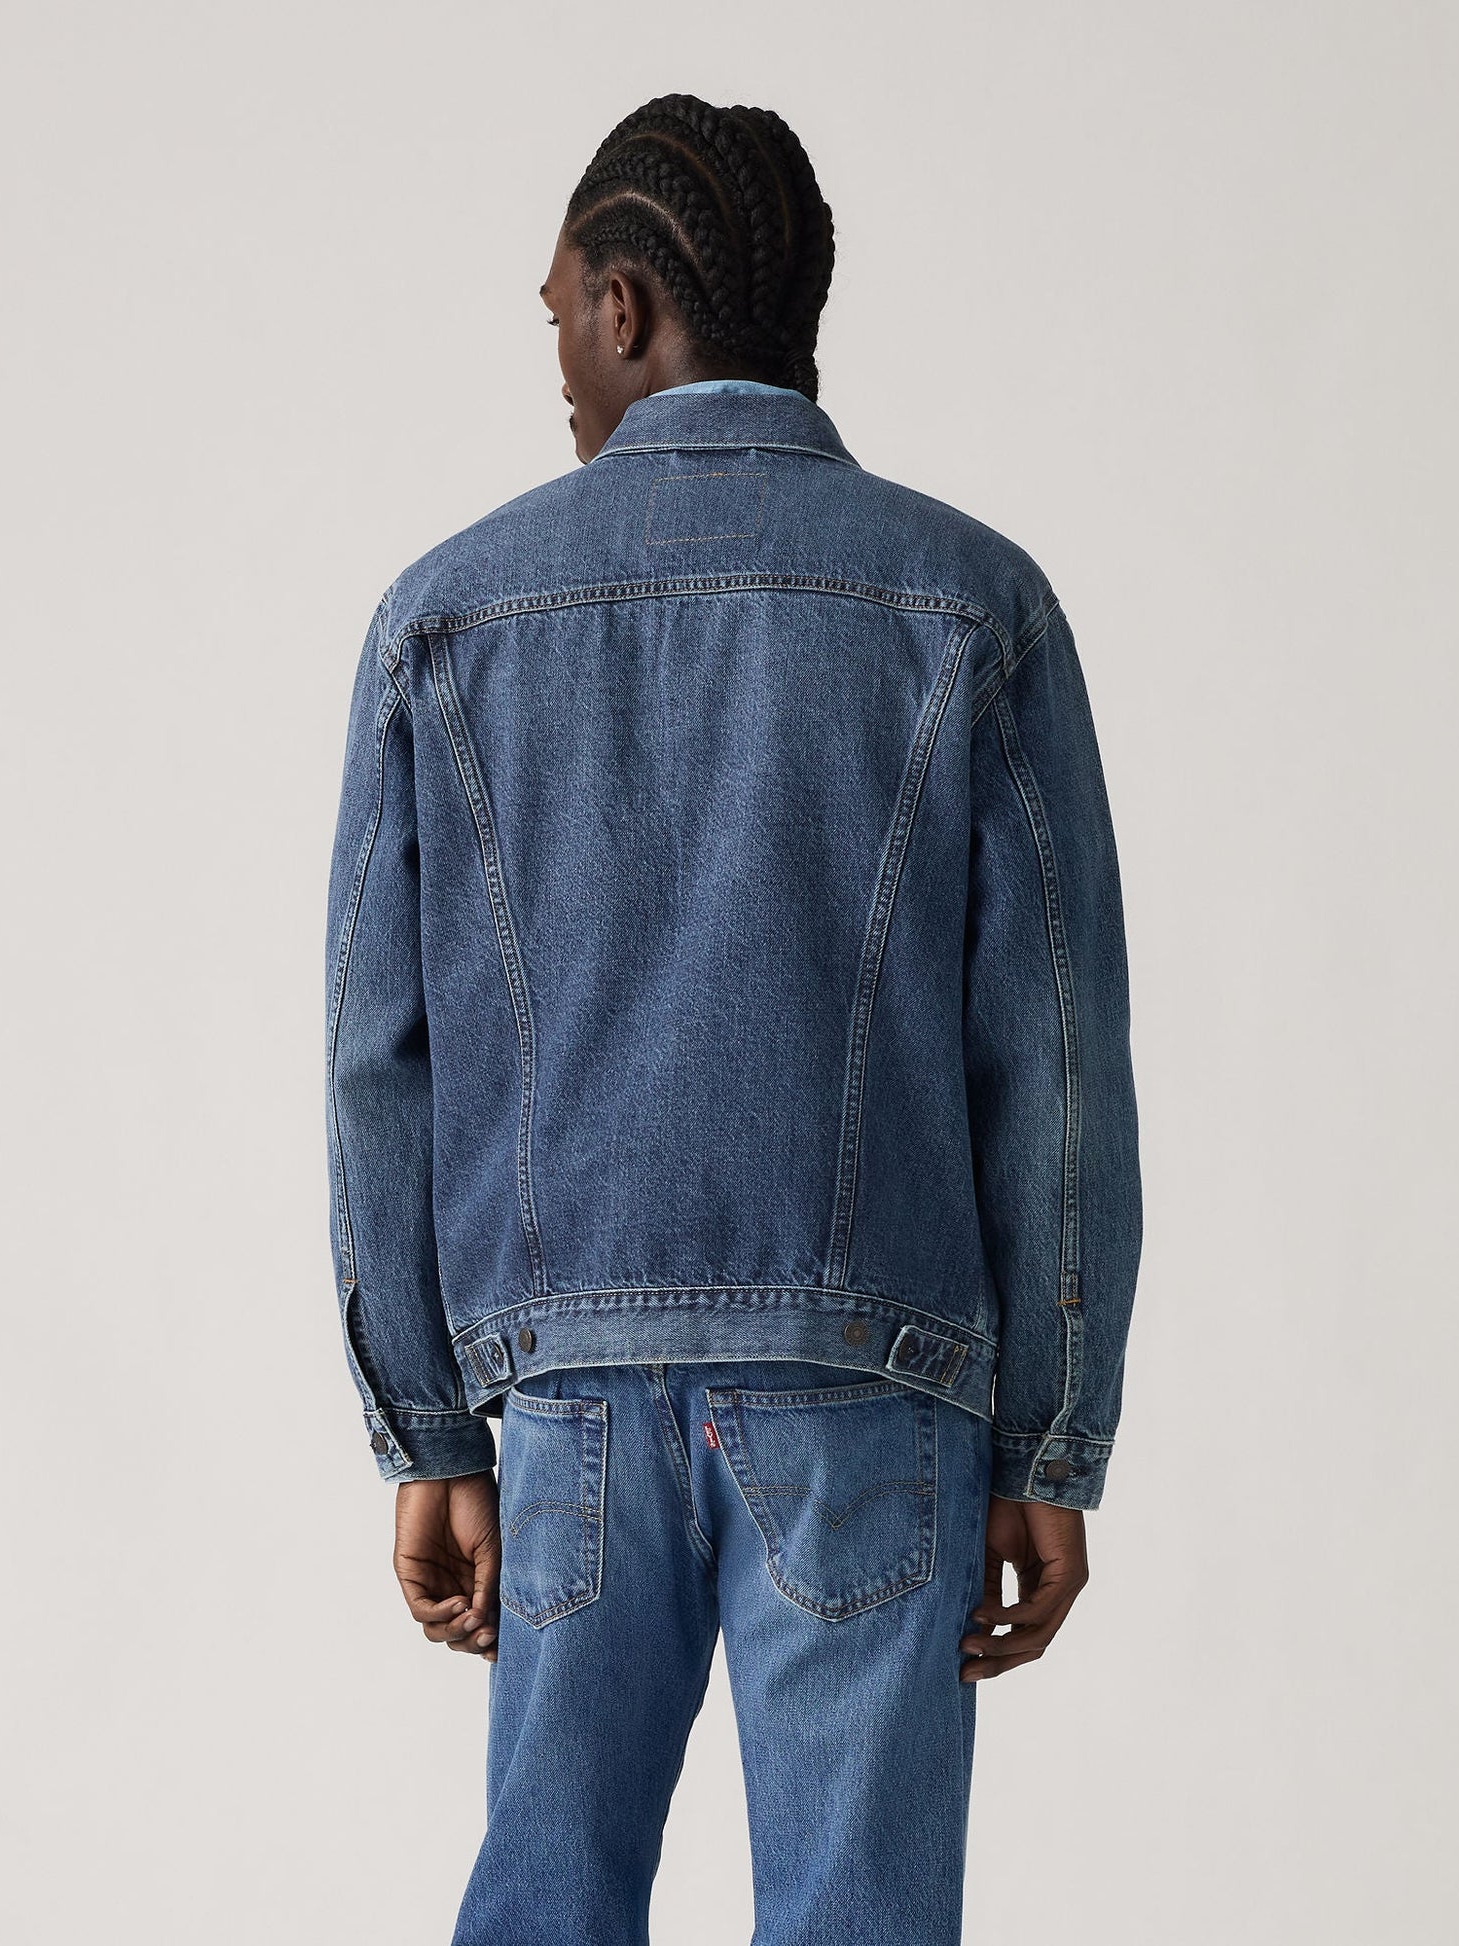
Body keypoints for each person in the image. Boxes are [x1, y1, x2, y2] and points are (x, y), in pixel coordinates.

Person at [323, 92, 1142, 1946]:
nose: (554, 358)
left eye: (556, 315)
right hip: (876, 1393)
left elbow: (380, 1059)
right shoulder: (970, 603)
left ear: (625, 306)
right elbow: (1056, 1064)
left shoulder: (443, 617)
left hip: (568, 1409)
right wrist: (1048, 1440)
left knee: (544, 1907)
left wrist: (427, 1427)